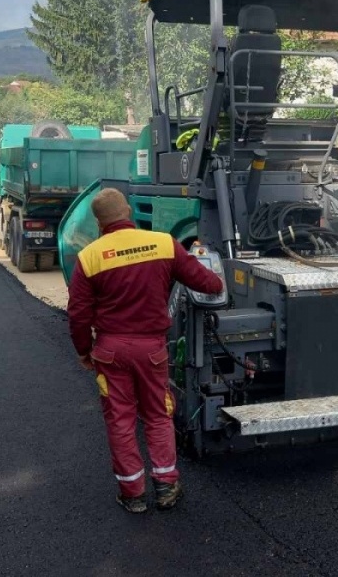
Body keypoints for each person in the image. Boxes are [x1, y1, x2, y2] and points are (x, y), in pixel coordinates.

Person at [67, 188, 224, 514]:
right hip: (152, 351)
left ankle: (133, 494)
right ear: (128, 212)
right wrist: (217, 277)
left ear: (99, 223)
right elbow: (208, 283)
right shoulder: (163, 243)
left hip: (110, 352)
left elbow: (78, 314)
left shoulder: (90, 257)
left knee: (121, 421)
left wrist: (84, 351)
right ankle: (166, 487)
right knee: (157, 415)